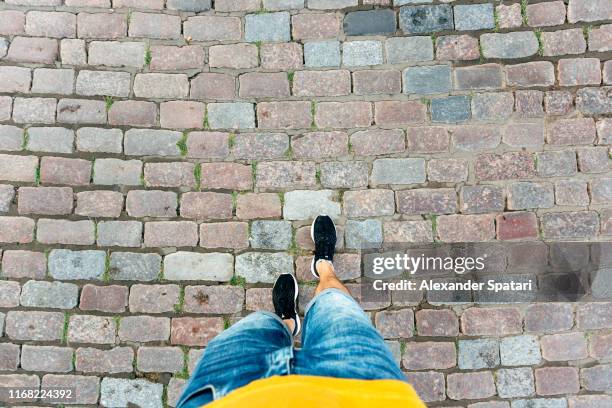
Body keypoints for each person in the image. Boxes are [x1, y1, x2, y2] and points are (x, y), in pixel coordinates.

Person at [176, 215, 425, 408]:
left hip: (224, 394)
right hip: (365, 390)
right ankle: (324, 267)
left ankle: (289, 323)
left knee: (259, 323)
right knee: (334, 303)